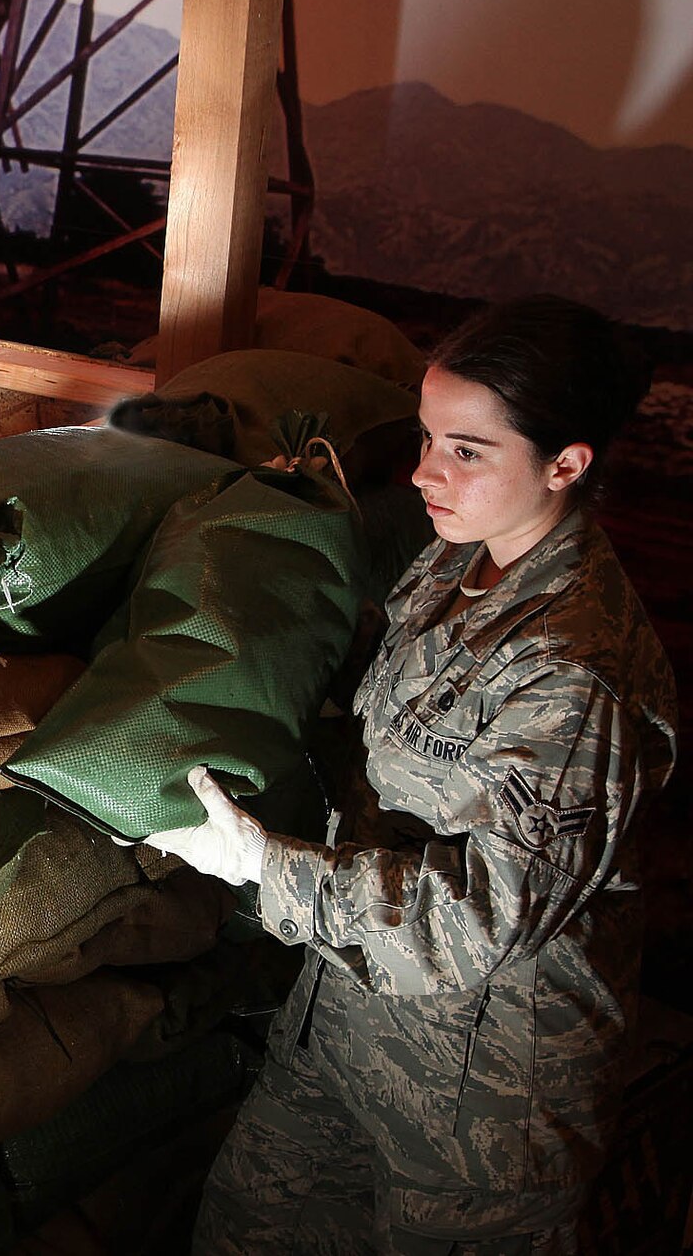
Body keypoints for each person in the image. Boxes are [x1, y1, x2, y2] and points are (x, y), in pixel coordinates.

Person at [144, 297, 678, 1254]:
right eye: (430, 437)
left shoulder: (571, 668)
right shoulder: (459, 559)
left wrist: (269, 869)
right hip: (345, 1019)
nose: (428, 470)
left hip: (480, 1099)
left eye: (468, 450)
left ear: (566, 464)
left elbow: (483, 915)